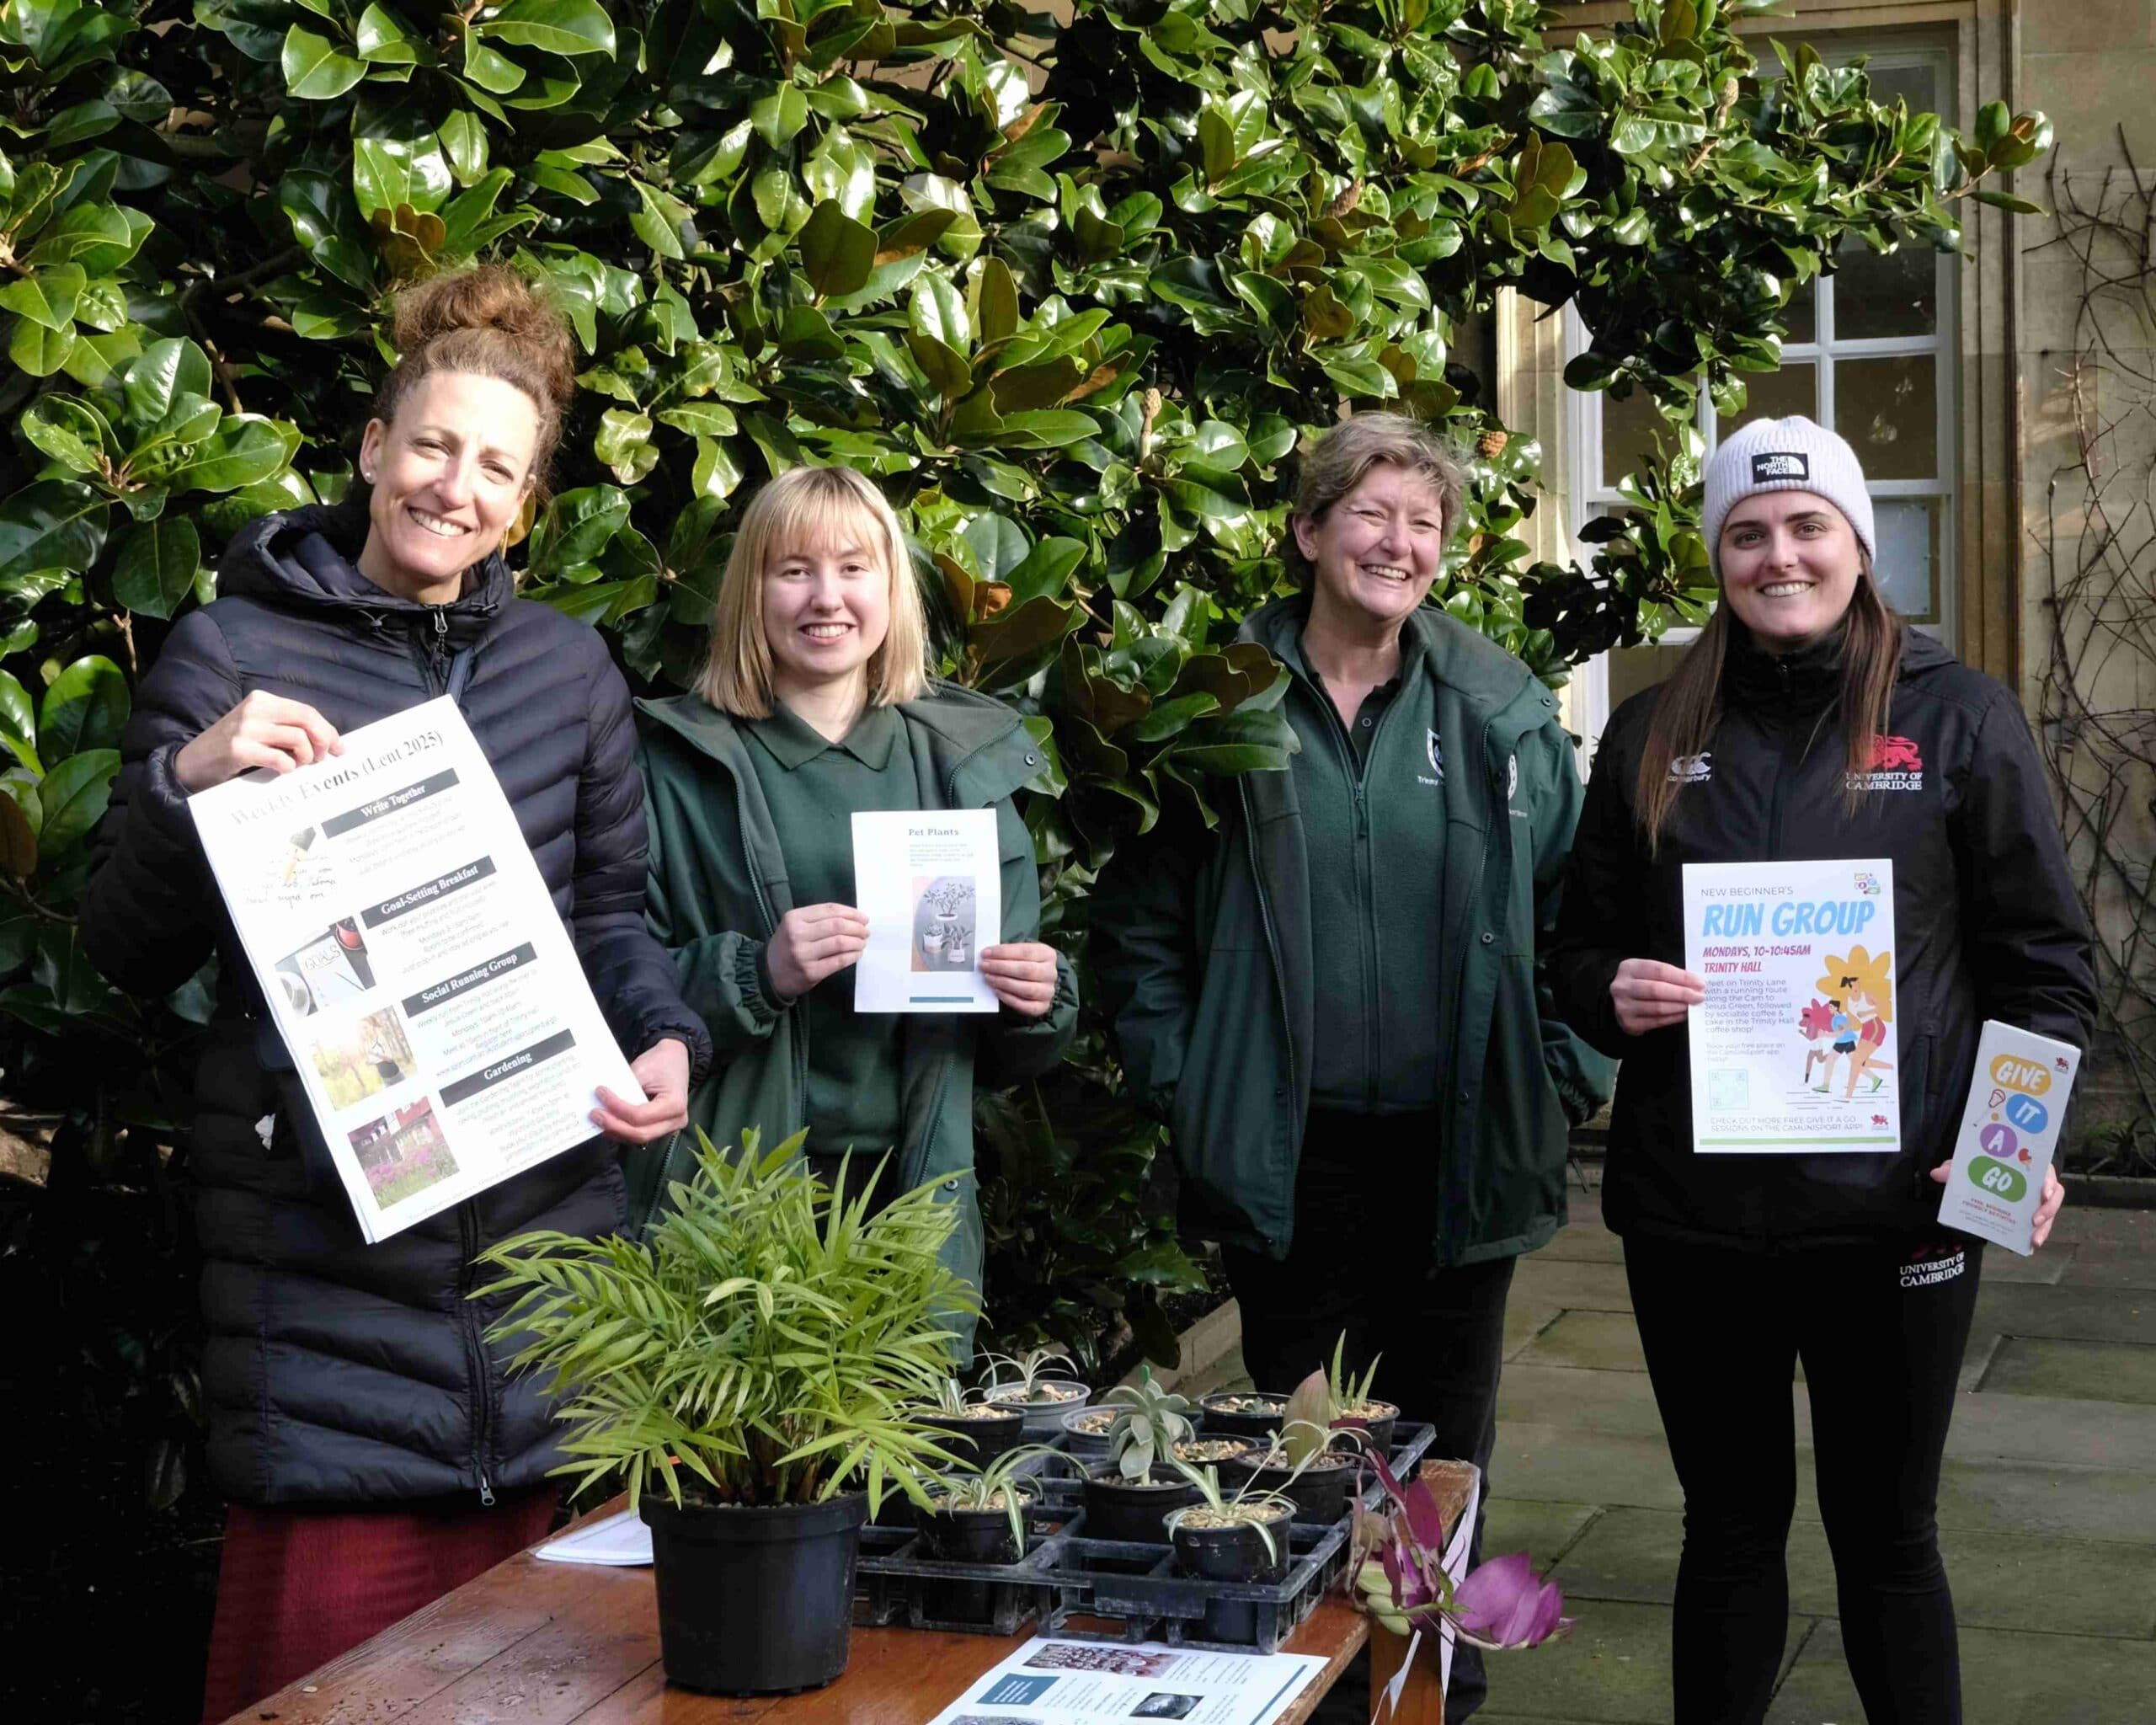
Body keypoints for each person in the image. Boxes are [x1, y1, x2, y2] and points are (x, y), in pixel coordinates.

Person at [79, 265, 712, 1722]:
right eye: (432, 445)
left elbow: (612, 916)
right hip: (328, 1325)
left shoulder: (569, 669)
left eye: (498, 464)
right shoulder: (233, 657)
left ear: (528, 500)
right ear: (372, 447)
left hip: (553, 1316)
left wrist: (664, 1034)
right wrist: (188, 780)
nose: (456, 484)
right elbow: (124, 948)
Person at [1550, 416, 2095, 1724]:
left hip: (1898, 1211)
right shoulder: (1646, 733)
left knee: (1889, 1539)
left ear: (1858, 544)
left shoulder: (1957, 717)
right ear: (1717, 557)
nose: (1777, 555)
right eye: (1747, 532)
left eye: (1807, 528)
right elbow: (1576, 949)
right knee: (1726, 1534)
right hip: (1696, 1218)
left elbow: (2044, 962)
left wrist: (2011, 1142)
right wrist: (1607, 994)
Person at [1091, 412, 1611, 1722]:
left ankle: (1436, 1684)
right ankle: (1322, 1688)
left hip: (1460, 1151)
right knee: (1309, 1448)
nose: (1400, 543)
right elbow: (1142, 924)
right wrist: (1183, 1077)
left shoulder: (1495, 708)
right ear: (1311, 531)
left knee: (1445, 1447)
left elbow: (1580, 916)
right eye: (1373, 515)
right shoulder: (1223, 702)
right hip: (1288, 1147)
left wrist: (1560, 1074)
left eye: (1425, 523)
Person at [629, 463, 1077, 1338]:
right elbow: (614, 975)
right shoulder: (675, 761)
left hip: (912, 1198)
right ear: (749, 590)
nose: (824, 596)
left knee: (893, 1468)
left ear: (891, 587)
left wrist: (1037, 997)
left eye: (853, 566)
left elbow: (1016, 1043)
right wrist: (755, 972)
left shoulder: (961, 758)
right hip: (726, 1199)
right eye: (792, 569)